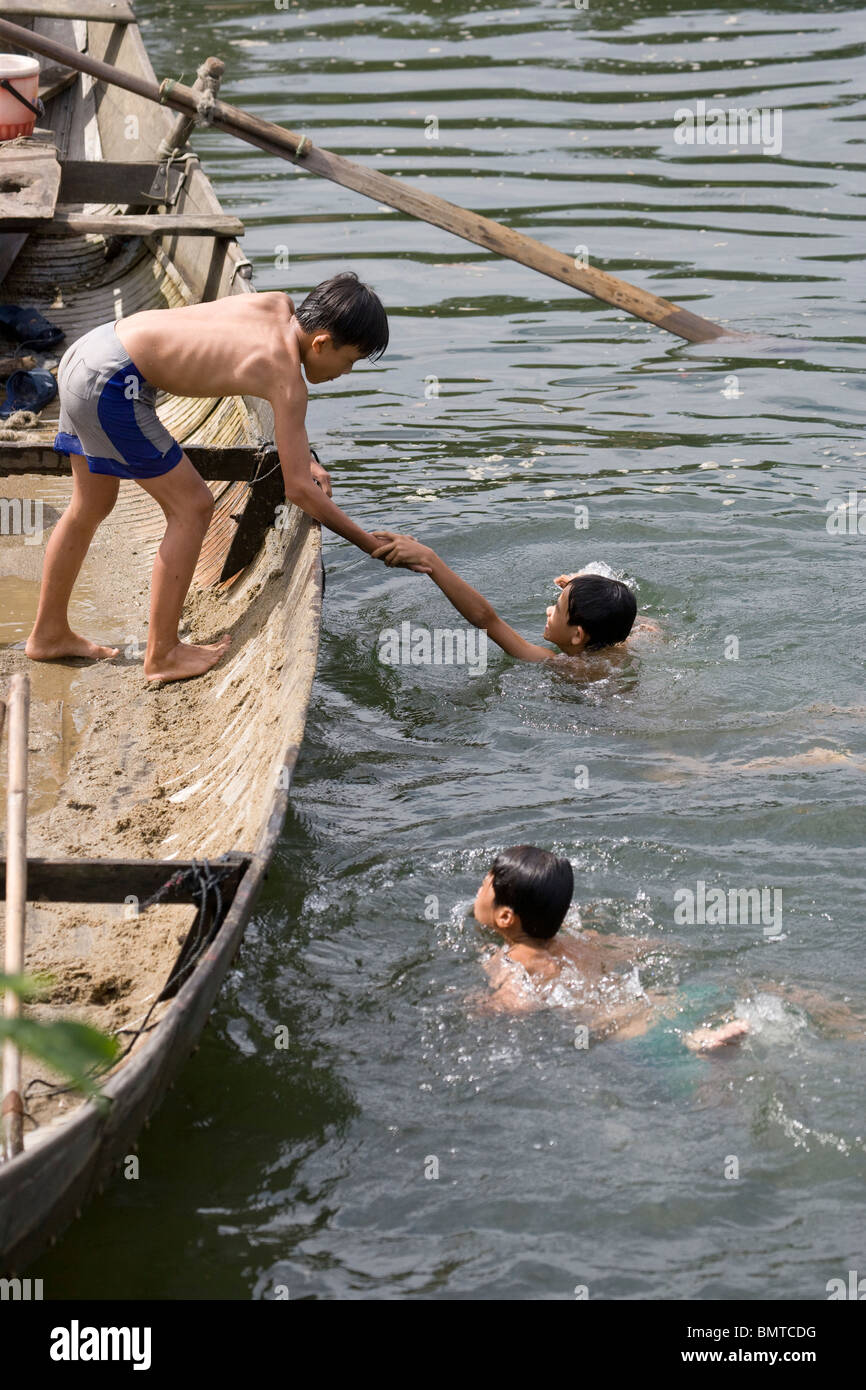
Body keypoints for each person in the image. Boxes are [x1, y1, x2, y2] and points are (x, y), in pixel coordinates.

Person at [26, 273, 420, 682]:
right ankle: (162, 654)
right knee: (193, 506)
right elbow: (298, 488)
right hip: (114, 385)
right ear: (321, 343)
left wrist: (302, 457)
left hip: (90, 351)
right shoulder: (286, 378)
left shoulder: (278, 305)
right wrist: (370, 544)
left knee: (89, 505)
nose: (347, 372)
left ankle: (49, 633)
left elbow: (238, 366)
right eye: (350, 360)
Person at [471, 845, 752, 1050]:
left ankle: (700, 1043)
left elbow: (517, 1002)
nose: (478, 892)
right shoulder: (581, 942)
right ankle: (704, 1038)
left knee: (676, 1044)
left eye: (484, 887)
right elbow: (638, 949)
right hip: (658, 1001)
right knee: (678, 1020)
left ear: (505, 917)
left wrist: (480, 1007)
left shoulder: (511, 959)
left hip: (624, 1032)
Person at [371, 535, 649, 663]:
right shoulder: (620, 646)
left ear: (578, 635)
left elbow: (486, 620)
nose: (548, 609)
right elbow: (630, 615)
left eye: (558, 607)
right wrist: (579, 588)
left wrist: (430, 560)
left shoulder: (566, 668)